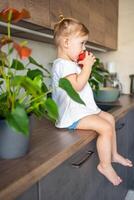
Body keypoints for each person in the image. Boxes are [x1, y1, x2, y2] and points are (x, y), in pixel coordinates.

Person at [51, 17, 133, 186]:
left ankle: (113, 154)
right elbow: (78, 87)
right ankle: (105, 165)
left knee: (109, 119)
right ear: (66, 42)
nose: (84, 48)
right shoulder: (62, 65)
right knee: (104, 127)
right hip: (72, 115)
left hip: (82, 110)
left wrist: (82, 66)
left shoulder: (69, 64)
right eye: (82, 43)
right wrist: (87, 67)